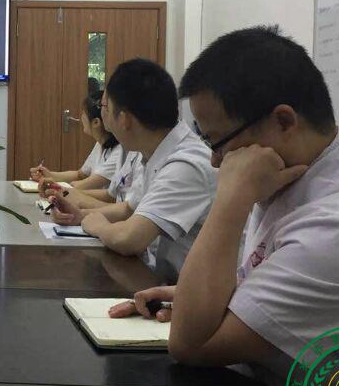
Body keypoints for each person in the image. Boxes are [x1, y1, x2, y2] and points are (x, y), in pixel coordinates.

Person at [111, 28, 339, 386]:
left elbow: (191, 344)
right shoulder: (298, 176)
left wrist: (230, 199)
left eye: (217, 141)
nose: (215, 161)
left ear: (283, 122)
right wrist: (203, 297)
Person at [47, 59, 216, 283]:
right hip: (161, 278)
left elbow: (129, 239)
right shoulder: (150, 152)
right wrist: (80, 216)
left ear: (124, 119)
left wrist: (98, 226)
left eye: (106, 108)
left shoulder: (186, 163)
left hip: (185, 288)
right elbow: (130, 209)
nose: (102, 115)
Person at [30, 94, 123, 195]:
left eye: (84, 114)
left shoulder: (119, 152)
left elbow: (82, 185)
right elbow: (80, 175)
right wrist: (49, 175)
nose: (81, 118)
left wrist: (51, 186)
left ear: (96, 122)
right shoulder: (100, 144)